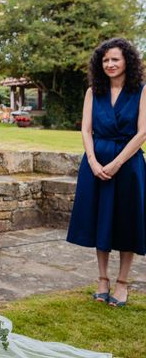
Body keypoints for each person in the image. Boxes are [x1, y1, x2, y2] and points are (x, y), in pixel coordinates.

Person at [67, 37, 146, 307]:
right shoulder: (93, 91)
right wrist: (92, 160)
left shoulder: (142, 90)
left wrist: (117, 163)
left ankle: (122, 283)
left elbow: (143, 132)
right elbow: (86, 130)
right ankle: (102, 279)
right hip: (96, 163)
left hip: (128, 164)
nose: (110, 64)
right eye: (105, 60)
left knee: (126, 221)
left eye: (115, 59)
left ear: (127, 61)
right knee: (100, 219)